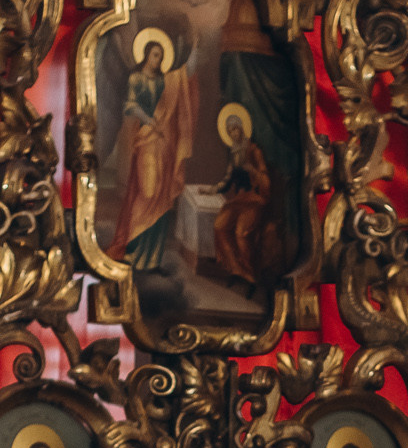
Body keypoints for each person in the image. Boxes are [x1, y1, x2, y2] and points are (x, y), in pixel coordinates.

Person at [108, 32, 197, 272]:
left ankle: (149, 257)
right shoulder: (136, 78)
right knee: (146, 193)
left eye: (161, 56)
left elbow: (178, 95)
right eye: (155, 54)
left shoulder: (166, 82)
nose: (157, 60)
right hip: (147, 140)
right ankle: (131, 246)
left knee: (160, 196)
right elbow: (129, 105)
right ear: (146, 54)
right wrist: (150, 120)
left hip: (165, 144)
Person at [213, 106, 285, 287]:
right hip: (242, 199)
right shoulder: (235, 152)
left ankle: (250, 272)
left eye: (235, 129)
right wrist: (213, 189)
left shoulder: (254, 151)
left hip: (258, 199)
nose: (233, 134)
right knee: (220, 225)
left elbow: (266, 182)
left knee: (240, 232)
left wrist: (251, 169)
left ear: (242, 128)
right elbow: (228, 178)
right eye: (229, 131)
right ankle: (236, 269)